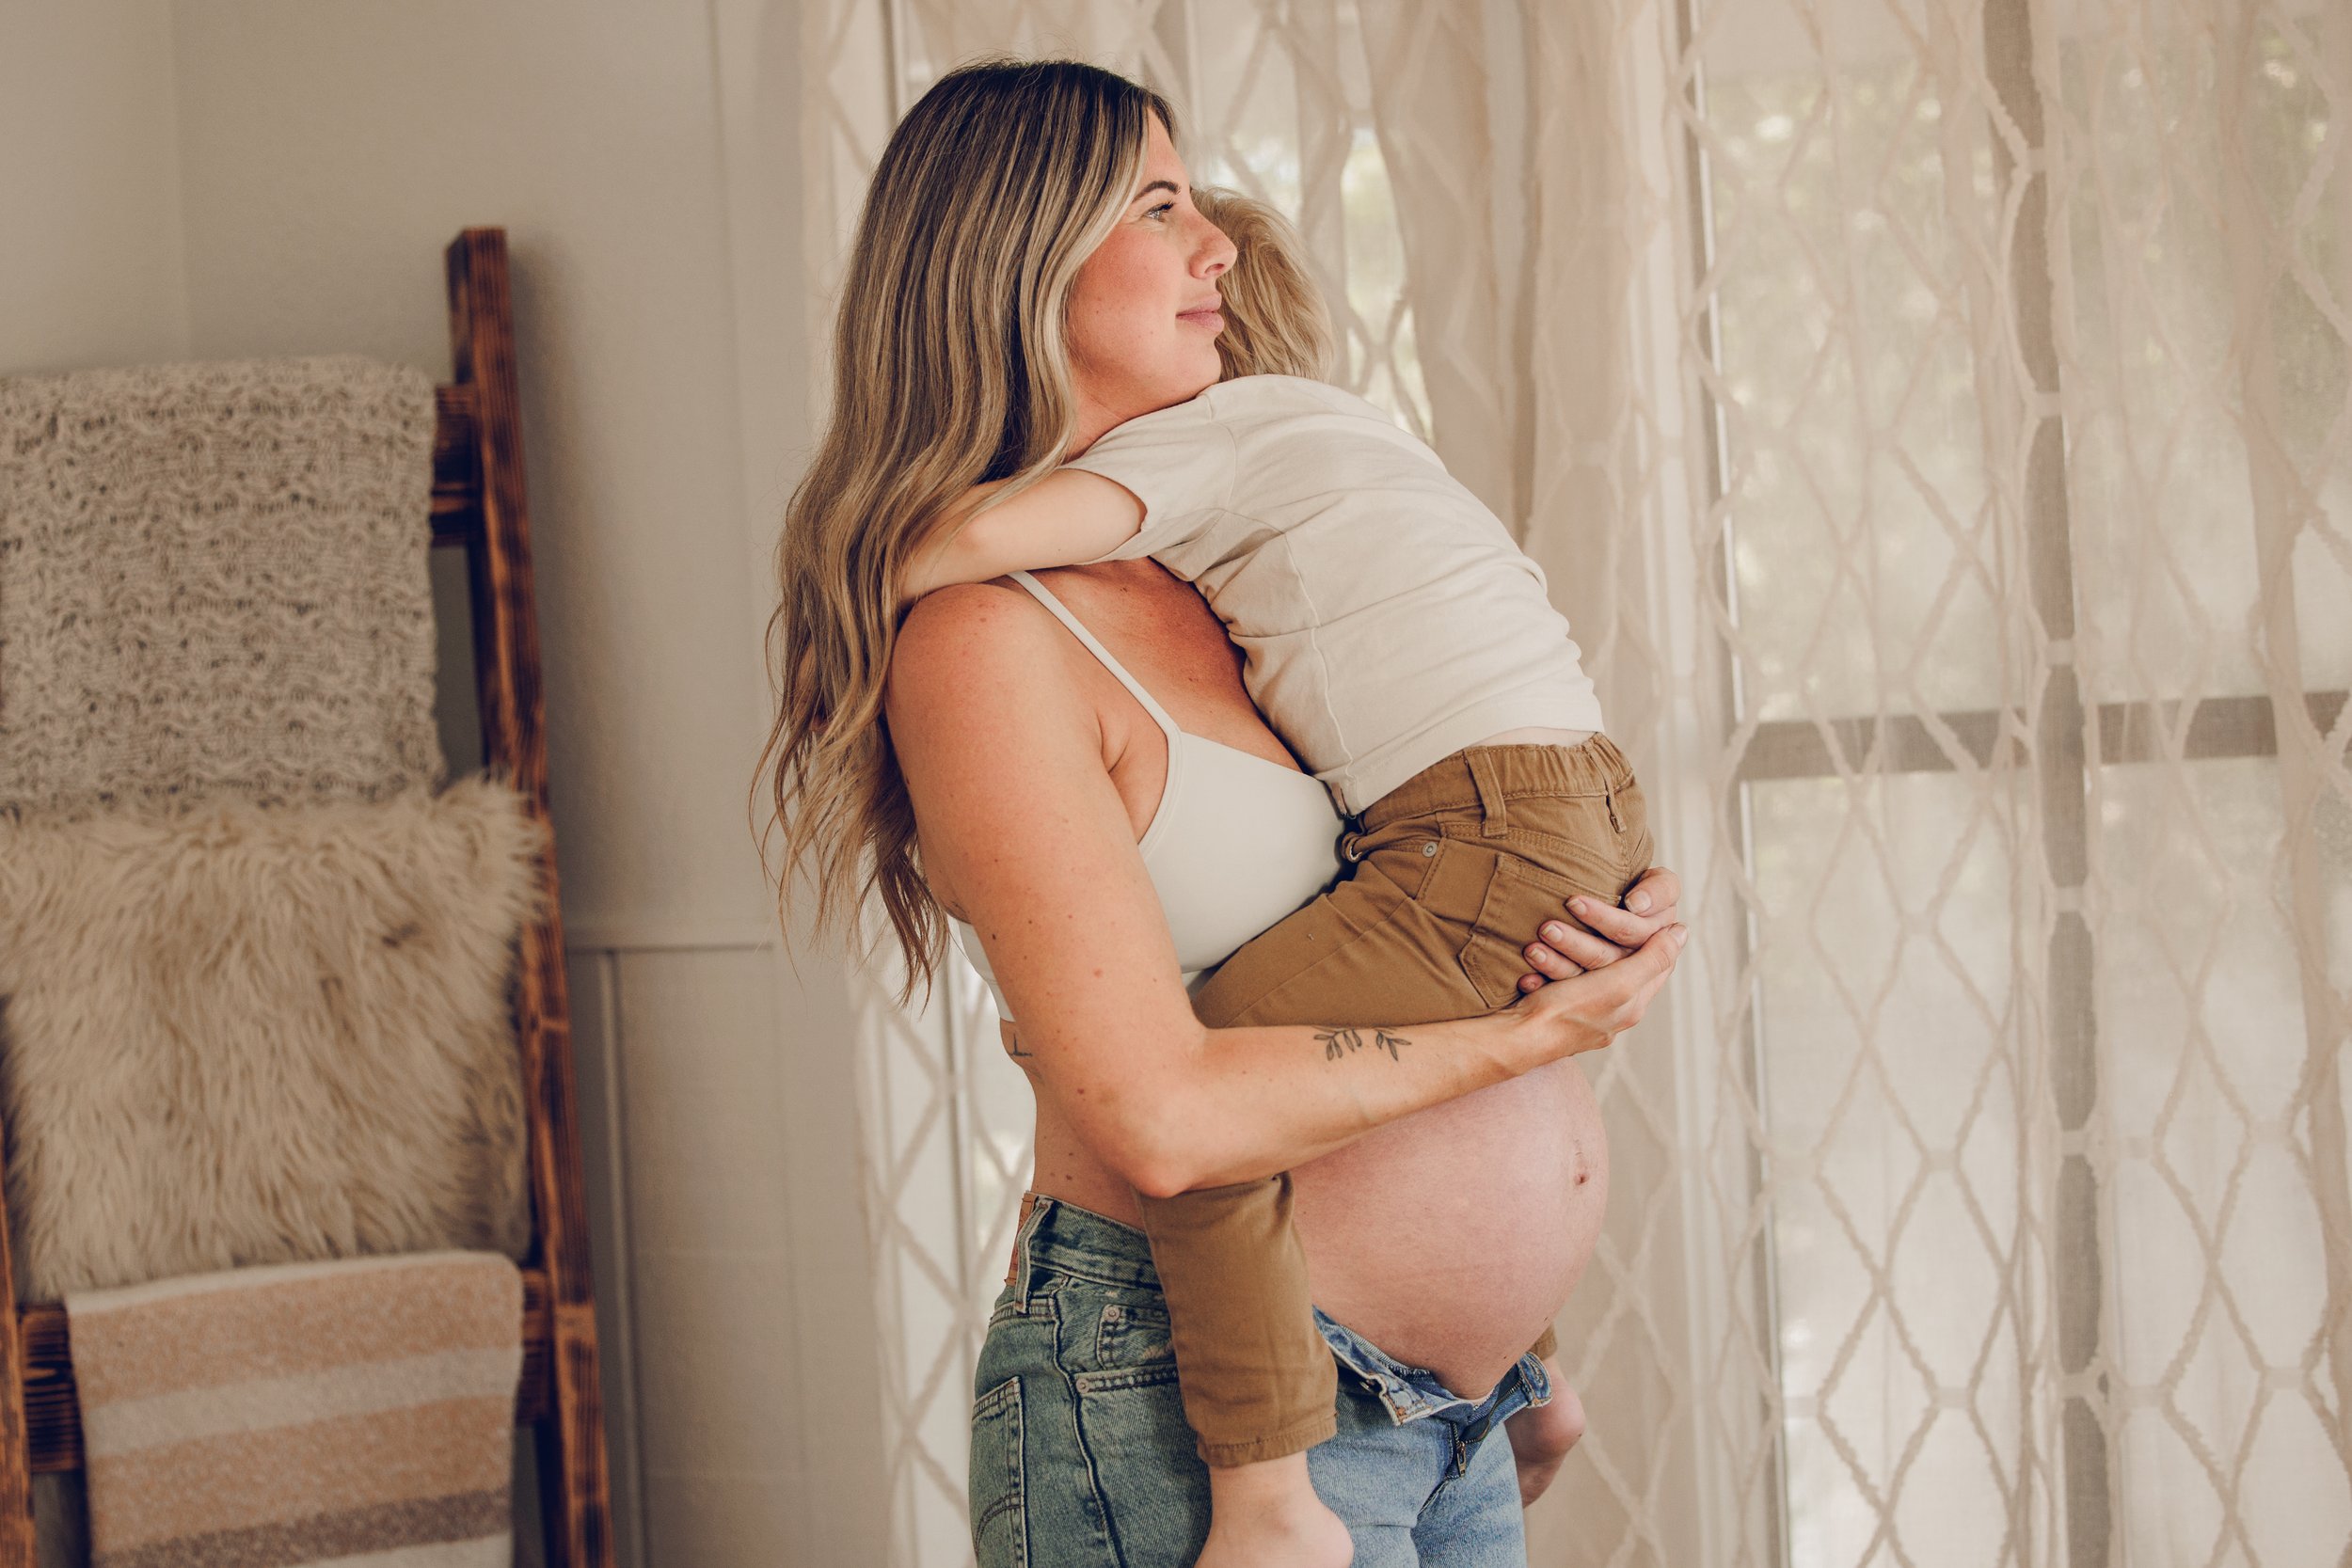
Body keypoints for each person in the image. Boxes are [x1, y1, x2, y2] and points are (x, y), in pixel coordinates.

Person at [757, 56, 1687, 1567]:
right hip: (1191, 1428)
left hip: (1442, 1425)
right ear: (1018, 261)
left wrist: (1530, 1337)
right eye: (1161, 205)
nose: (1219, 245)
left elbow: (1389, 934)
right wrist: (1533, 1038)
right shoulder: (989, 638)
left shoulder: (1244, 571)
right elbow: (1168, 1116)